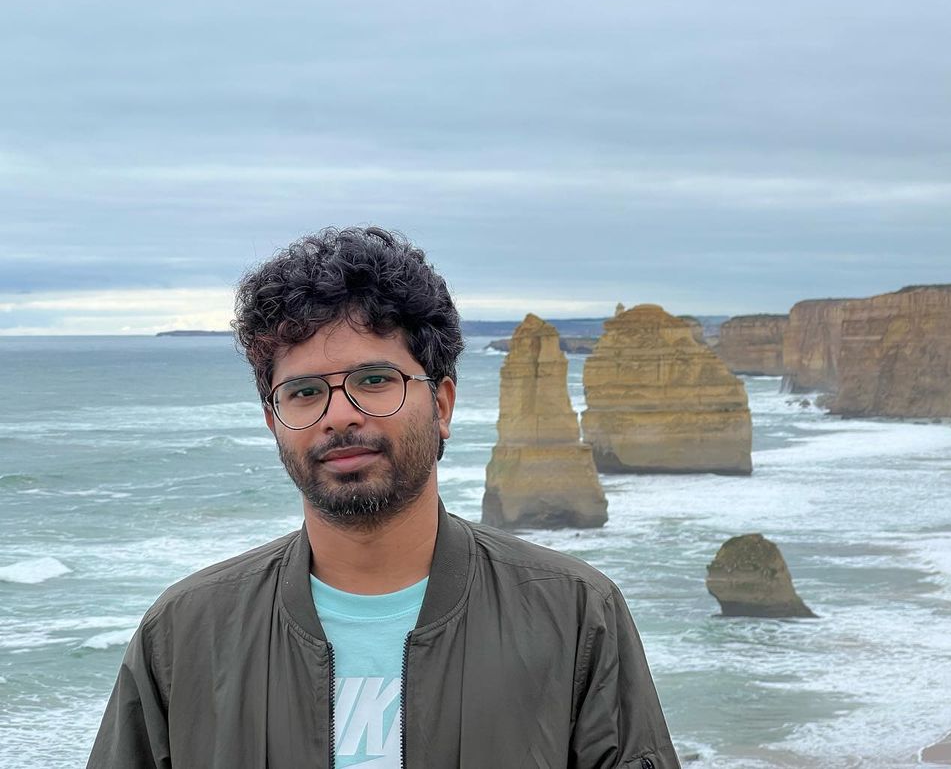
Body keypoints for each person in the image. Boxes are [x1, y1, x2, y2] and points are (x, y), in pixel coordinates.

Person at [88, 227, 679, 769]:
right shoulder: (184, 634)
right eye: (304, 392)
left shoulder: (575, 616)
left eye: (374, 381)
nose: (339, 415)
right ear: (274, 423)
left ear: (441, 404)